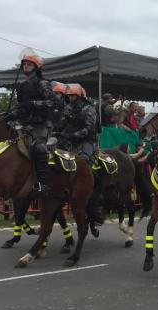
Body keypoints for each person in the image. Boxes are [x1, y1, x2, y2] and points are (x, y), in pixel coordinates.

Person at [11, 48, 62, 194]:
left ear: (36, 67)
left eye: (29, 64)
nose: (26, 66)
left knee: (38, 148)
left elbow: (55, 103)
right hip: (25, 124)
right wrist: (10, 115)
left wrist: (34, 104)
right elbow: (22, 107)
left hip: (42, 125)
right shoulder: (22, 86)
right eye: (24, 64)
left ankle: (42, 184)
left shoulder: (43, 83)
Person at [62, 83, 103, 224]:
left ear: (79, 96)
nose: (70, 97)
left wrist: (73, 135)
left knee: (84, 162)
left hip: (88, 141)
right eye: (69, 95)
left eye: (72, 95)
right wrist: (57, 133)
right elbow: (62, 124)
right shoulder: (67, 108)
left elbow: (89, 129)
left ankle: (95, 190)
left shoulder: (89, 109)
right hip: (71, 141)